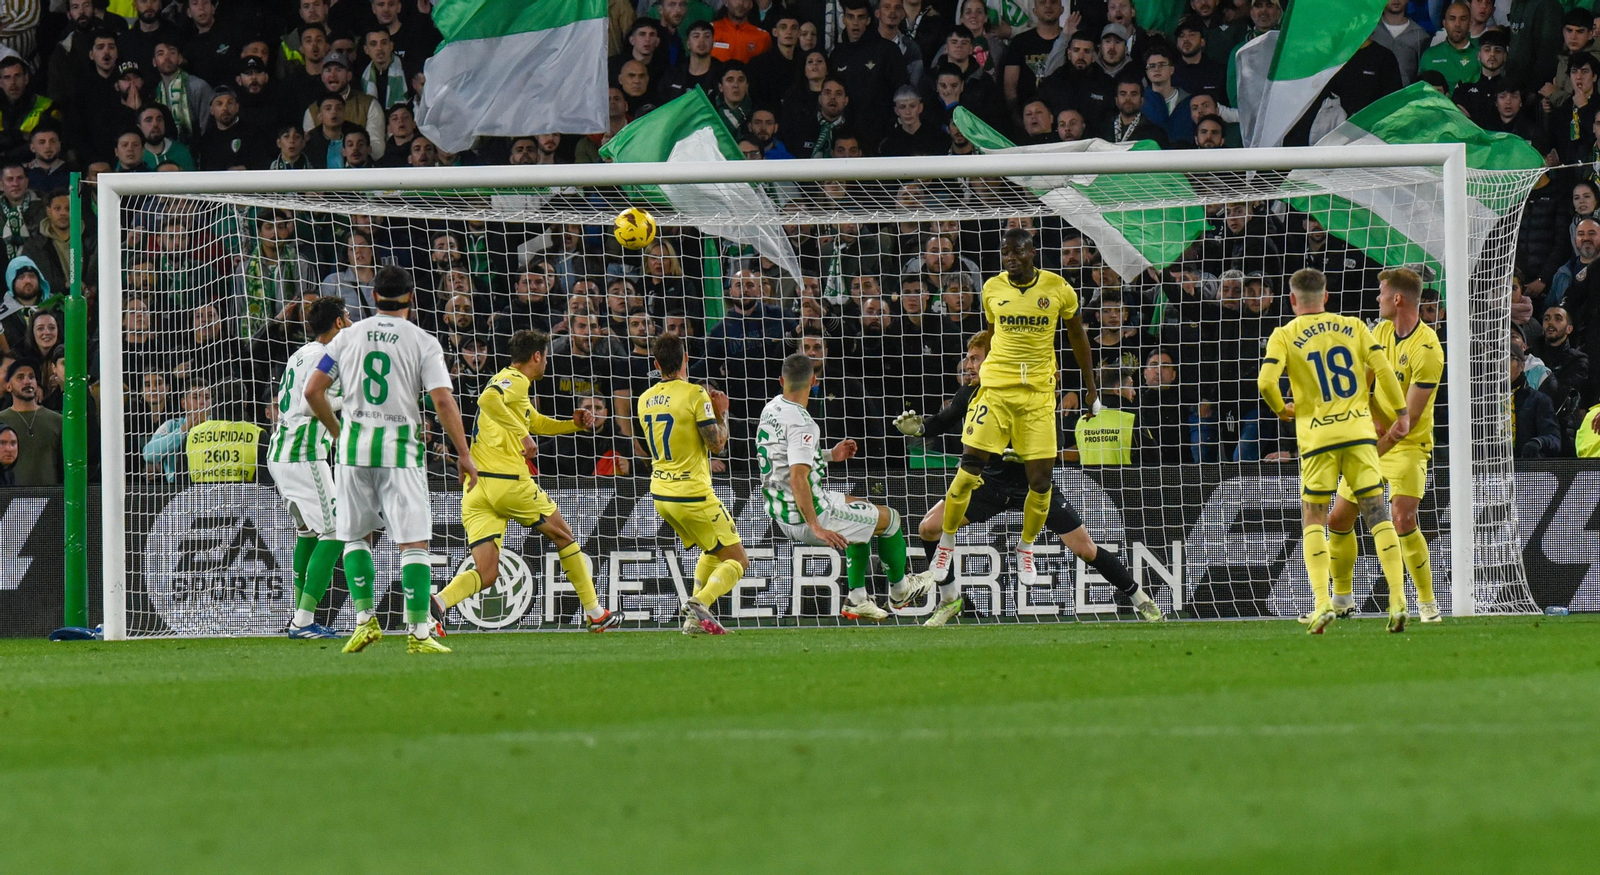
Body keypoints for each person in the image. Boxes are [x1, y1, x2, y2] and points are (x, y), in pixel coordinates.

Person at [893, 330, 1162, 625]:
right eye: (968, 359)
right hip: (990, 484)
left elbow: (1057, 439)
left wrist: (1029, 456)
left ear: (996, 361)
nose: (968, 365)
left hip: (1032, 488)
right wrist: (920, 429)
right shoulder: (970, 393)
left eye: (975, 359)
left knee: (1085, 549)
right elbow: (943, 421)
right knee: (929, 528)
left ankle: (1140, 599)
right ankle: (950, 599)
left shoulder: (1028, 393)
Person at [303, 265, 478, 654]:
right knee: (413, 542)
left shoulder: (347, 337)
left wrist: (337, 431)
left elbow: (313, 390)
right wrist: (463, 454)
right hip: (399, 452)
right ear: (411, 297)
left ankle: (364, 621)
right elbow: (442, 400)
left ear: (374, 296)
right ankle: (418, 632)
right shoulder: (423, 341)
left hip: (353, 452)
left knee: (355, 537)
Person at [925, 227, 1100, 603]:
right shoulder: (992, 288)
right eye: (1005, 253)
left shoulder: (1058, 289)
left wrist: (1090, 387)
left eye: (1017, 251)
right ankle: (946, 545)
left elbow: (1077, 336)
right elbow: (992, 333)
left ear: (1031, 252)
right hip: (997, 392)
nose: (1010, 258)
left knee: (1040, 482)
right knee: (969, 468)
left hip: (1037, 396)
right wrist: (977, 370)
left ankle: (1026, 547)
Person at [432, 329, 622, 633]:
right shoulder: (514, 380)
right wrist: (522, 435)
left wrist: (572, 425)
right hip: (508, 483)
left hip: (477, 490)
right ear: (536, 356)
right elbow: (488, 399)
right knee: (564, 536)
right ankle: (596, 613)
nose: (546, 362)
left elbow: (535, 422)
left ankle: (439, 603)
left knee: (487, 572)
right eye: (545, 357)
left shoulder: (513, 388)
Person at [1256, 268, 1411, 635]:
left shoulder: (1284, 334)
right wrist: (1401, 414)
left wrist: (1282, 410)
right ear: (1326, 297)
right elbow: (1383, 369)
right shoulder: (1353, 326)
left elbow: (1265, 382)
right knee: (1377, 514)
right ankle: (1397, 598)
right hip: (1358, 434)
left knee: (1314, 517)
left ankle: (1322, 602)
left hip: (1318, 440)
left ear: (1292, 300)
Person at [758, 352, 933, 622]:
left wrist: (831, 455)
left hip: (781, 510)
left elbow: (786, 458)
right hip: (808, 514)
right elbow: (797, 478)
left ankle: (858, 598)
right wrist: (817, 527)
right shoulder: (803, 422)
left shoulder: (771, 409)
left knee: (862, 513)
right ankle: (900, 591)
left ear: (781, 381)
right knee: (890, 520)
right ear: (814, 381)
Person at [1319, 269, 1445, 628]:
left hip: (1408, 445)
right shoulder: (1380, 333)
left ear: (1398, 299)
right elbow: (1362, 382)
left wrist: (1374, 448)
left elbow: (1409, 421)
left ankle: (1427, 602)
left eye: (1383, 292)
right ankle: (1342, 599)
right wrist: (1366, 417)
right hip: (1377, 438)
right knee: (1337, 519)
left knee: (1402, 517)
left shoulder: (1428, 350)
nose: (1378, 298)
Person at [637, 332, 748, 636]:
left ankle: (692, 621)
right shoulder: (695, 394)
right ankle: (700, 602)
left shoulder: (644, 399)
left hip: (661, 494)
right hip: (692, 494)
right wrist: (721, 411)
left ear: (656, 364)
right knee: (738, 559)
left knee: (713, 549)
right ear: (686, 358)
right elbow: (717, 445)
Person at [266, 297, 351, 639]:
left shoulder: (301, 353)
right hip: (303, 456)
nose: (351, 322)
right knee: (337, 531)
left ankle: (299, 616)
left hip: (281, 453)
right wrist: (348, 401)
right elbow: (307, 404)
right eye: (348, 317)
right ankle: (303, 620)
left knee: (308, 533)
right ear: (339, 322)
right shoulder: (325, 357)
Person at [0, 358, 62, 486]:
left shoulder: (57, 420)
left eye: (31, 377)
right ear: (9, 386)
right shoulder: (2, 420)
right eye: (20, 377)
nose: (27, 381)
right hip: (8, 496)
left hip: (51, 496)